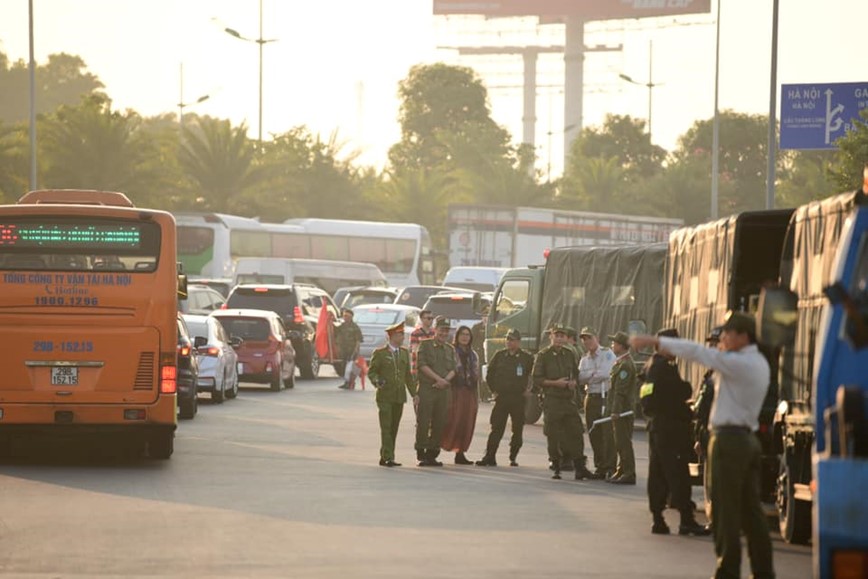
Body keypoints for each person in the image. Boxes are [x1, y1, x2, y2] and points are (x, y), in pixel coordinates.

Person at [632, 313, 774, 579]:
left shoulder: (740, 362)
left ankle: (727, 571)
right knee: (751, 513)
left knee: (725, 512)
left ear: (743, 336)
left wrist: (653, 339)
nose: (721, 340)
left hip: (729, 441)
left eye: (726, 335)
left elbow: (698, 353)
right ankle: (763, 571)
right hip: (742, 438)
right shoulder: (757, 362)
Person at [635, 328, 710, 537]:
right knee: (678, 474)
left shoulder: (651, 367)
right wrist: (684, 391)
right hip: (669, 429)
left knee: (658, 474)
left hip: (658, 427)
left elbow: (646, 399)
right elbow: (679, 392)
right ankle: (686, 519)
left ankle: (658, 519)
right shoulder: (662, 369)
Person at [532, 324, 595, 480]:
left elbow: (575, 373)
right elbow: (537, 379)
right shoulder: (543, 355)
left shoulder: (569, 354)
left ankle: (580, 467)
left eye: (562, 336)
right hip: (552, 400)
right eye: (557, 336)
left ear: (566, 338)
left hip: (568, 400)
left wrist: (574, 382)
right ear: (551, 337)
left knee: (576, 432)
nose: (559, 339)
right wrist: (556, 383)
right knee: (553, 434)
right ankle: (556, 465)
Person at [476, 328, 534, 467]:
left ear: (518, 342)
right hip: (502, 398)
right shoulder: (499, 355)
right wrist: (493, 390)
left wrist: (530, 390)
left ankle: (513, 456)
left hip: (518, 398)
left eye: (512, 340)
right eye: (508, 339)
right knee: (496, 428)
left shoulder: (526, 358)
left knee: (517, 429)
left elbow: (534, 375)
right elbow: (490, 374)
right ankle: (489, 456)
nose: (509, 342)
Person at [368, 322, 417, 467]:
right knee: (386, 427)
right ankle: (388, 456)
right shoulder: (380, 353)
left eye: (402, 334)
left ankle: (387, 456)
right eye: (399, 334)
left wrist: (414, 393)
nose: (402, 337)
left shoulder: (403, 352)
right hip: (384, 395)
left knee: (394, 427)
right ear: (391, 336)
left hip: (399, 396)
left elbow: (408, 376)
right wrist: (377, 380)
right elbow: (372, 371)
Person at [414, 317, 456, 467]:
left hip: (443, 390)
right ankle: (422, 451)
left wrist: (445, 381)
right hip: (427, 388)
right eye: (441, 330)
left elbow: (453, 369)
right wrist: (438, 379)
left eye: (446, 330)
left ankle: (433, 453)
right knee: (424, 421)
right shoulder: (425, 345)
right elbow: (422, 365)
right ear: (435, 329)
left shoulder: (450, 349)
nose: (444, 333)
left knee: (440, 422)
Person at [578, 327, 617, 479]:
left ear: (597, 338)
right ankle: (600, 466)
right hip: (591, 397)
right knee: (594, 432)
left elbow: (607, 373)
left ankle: (610, 466)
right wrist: (593, 375)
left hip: (604, 397)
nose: (587, 341)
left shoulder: (607, 354)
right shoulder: (584, 359)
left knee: (607, 433)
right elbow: (580, 378)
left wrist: (590, 376)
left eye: (589, 338)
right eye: (584, 339)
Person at [440, 325, 479, 464]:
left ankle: (460, 453)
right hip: (453, 390)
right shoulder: (450, 351)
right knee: (450, 421)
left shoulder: (473, 354)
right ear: (457, 336)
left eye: (467, 335)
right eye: (462, 334)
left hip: (468, 391)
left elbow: (476, 375)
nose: (465, 337)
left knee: (465, 422)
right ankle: (433, 451)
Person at [606, 331, 637, 485]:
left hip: (623, 411)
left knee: (624, 442)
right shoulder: (620, 362)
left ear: (621, 346)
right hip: (620, 409)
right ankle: (622, 469)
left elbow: (620, 391)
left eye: (614, 343)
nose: (612, 345)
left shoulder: (625, 365)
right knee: (619, 441)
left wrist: (615, 411)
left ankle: (629, 472)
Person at [335, 308, 363, 389]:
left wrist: (356, 351)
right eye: (344, 316)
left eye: (347, 316)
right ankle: (347, 382)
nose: (345, 317)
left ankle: (351, 383)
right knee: (344, 367)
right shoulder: (342, 326)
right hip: (343, 350)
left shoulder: (355, 327)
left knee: (350, 368)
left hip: (352, 350)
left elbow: (358, 340)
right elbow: (335, 332)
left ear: (351, 317)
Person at [470, 307, 492, 402]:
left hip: (489, 353)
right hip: (479, 354)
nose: (486, 318)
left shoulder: (493, 327)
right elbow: (471, 341)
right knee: (478, 375)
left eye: (488, 316)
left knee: (488, 374)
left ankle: (487, 394)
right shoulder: (476, 327)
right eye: (484, 316)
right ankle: (480, 395)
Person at [409, 309, 435, 378]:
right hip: (418, 368)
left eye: (432, 318)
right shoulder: (415, 333)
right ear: (422, 319)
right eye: (428, 318)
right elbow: (415, 350)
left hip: (433, 369)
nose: (431, 320)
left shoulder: (434, 333)